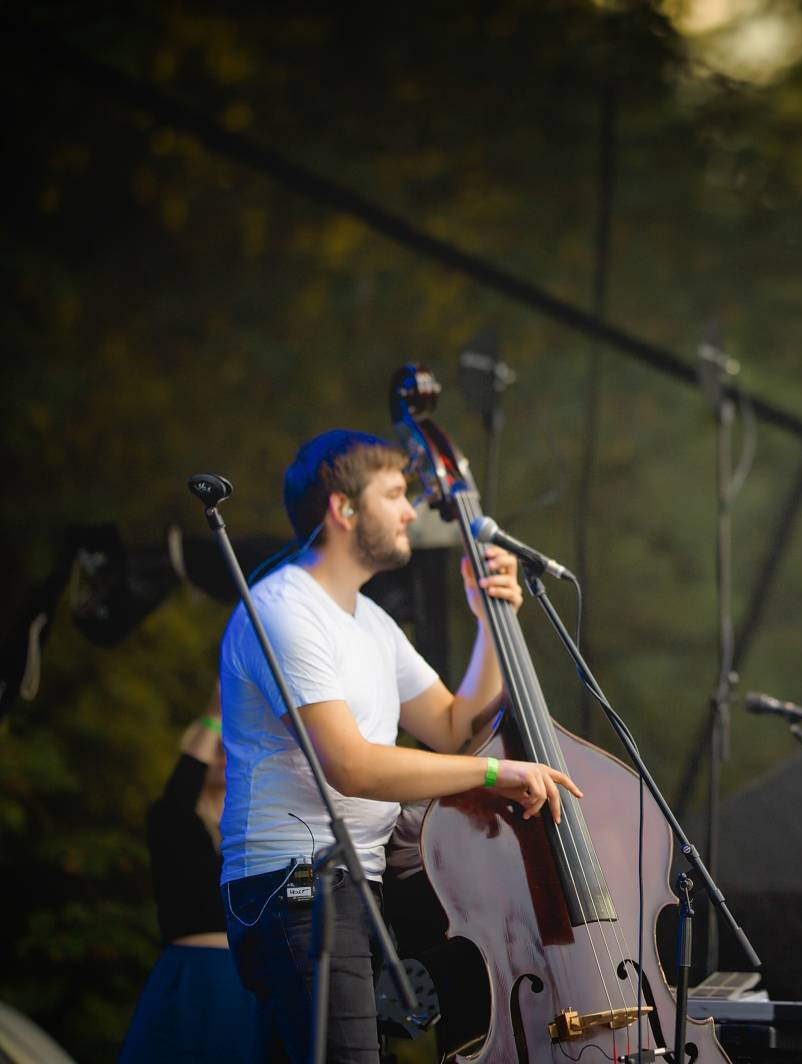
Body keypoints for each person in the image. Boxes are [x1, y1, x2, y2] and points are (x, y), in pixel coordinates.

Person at [218, 429, 581, 1063]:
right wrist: (492, 775)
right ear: (343, 508)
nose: (412, 508)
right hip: (295, 887)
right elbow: (353, 766)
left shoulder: (369, 620)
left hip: (354, 883)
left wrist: (491, 621)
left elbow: (453, 725)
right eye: (394, 493)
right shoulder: (283, 607)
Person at [118, 687, 260, 1062]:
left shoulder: (251, 831)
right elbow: (180, 791)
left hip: (244, 981)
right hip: (193, 974)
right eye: (215, 744)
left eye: (230, 744)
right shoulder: (172, 818)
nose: (222, 752)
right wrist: (214, 713)